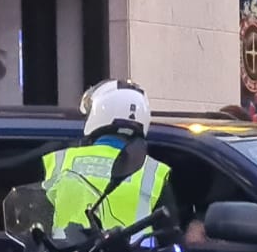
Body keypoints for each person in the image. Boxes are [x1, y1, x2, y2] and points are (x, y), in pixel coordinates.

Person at [41, 79, 174, 231]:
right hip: (131, 248)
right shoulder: (155, 173)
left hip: (66, 247)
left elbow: (34, 219)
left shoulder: (59, 161)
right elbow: (171, 236)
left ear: (99, 113)